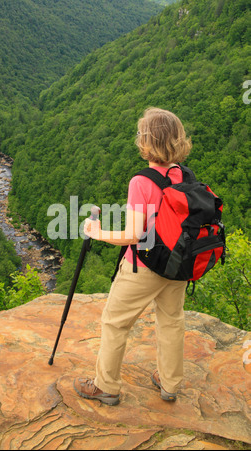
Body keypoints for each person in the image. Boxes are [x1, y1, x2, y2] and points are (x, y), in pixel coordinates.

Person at [73, 107, 192, 405]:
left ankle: (106, 387)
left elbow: (134, 235)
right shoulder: (183, 174)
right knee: (171, 320)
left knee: (115, 322)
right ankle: (169, 383)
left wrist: (97, 232)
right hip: (178, 264)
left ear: (146, 141)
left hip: (143, 266)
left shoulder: (141, 182)